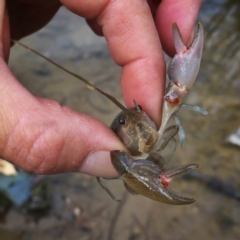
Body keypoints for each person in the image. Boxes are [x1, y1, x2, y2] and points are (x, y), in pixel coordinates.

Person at [0, 0, 201, 177]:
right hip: (136, 167)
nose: (136, 119)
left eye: (137, 112)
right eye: (123, 121)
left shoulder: (147, 118)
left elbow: (177, 92)